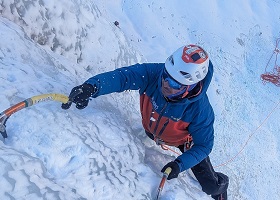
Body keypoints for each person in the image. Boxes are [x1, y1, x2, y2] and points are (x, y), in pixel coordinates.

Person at [62, 44, 229, 200]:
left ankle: (221, 186)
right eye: (166, 76)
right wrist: (91, 88)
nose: (165, 84)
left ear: (190, 87)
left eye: (174, 84)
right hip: (152, 129)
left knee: (211, 187)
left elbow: (204, 146)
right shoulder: (153, 74)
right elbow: (123, 77)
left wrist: (180, 164)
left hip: (184, 142)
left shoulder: (200, 111)